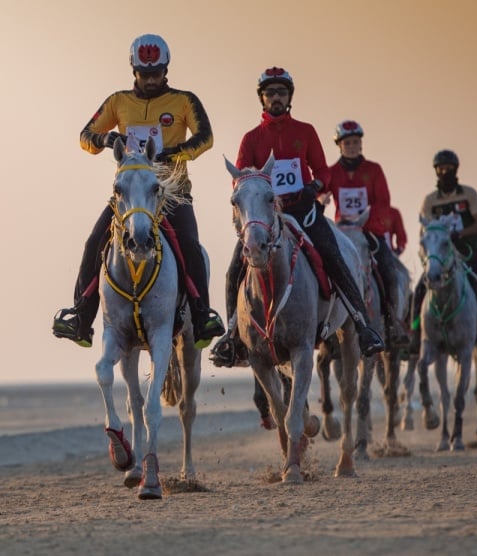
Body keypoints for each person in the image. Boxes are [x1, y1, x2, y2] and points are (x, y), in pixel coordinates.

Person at [52, 34, 224, 349]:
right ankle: (81, 316)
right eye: (144, 74)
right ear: (134, 71)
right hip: (129, 199)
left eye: (156, 73)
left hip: (172, 195)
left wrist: (174, 152)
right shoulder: (117, 101)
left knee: (190, 245)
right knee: (94, 242)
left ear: (166, 70)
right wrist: (103, 140)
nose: (149, 80)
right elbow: (85, 134)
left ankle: (202, 317)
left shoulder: (184, 100)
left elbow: (206, 138)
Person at [210, 67, 384, 367]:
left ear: (289, 97)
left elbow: (325, 171)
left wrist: (316, 186)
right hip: (267, 217)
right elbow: (238, 180)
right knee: (233, 269)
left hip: (303, 211)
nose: (276, 98)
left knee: (332, 253)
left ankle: (362, 324)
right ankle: (231, 337)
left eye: (281, 92)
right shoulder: (251, 138)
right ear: (262, 99)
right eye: (270, 93)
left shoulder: (305, 131)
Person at [409, 149, 477, 366]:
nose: (445, 172)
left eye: (449, 168)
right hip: (443, 258)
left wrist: (459, 233)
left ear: (456, 170)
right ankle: (414, 338)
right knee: (418, 292)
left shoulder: (469, 194)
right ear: (436, 171)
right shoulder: (429, 201)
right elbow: (424, 233)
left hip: (470, 255)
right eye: (441, 169)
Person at [323, 119, 403, 346]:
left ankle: (393, 322)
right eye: (347, 142)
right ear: (339, 145)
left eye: (356, 142)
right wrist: (322, 199)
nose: (351, 146)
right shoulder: (331, 172)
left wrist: (365, 218)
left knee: (389, 269)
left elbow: (383, 202)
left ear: (361, 144)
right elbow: (319, 192)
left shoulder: (374, 170)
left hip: (368, 231)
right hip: (341, 232)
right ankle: (326, 324)